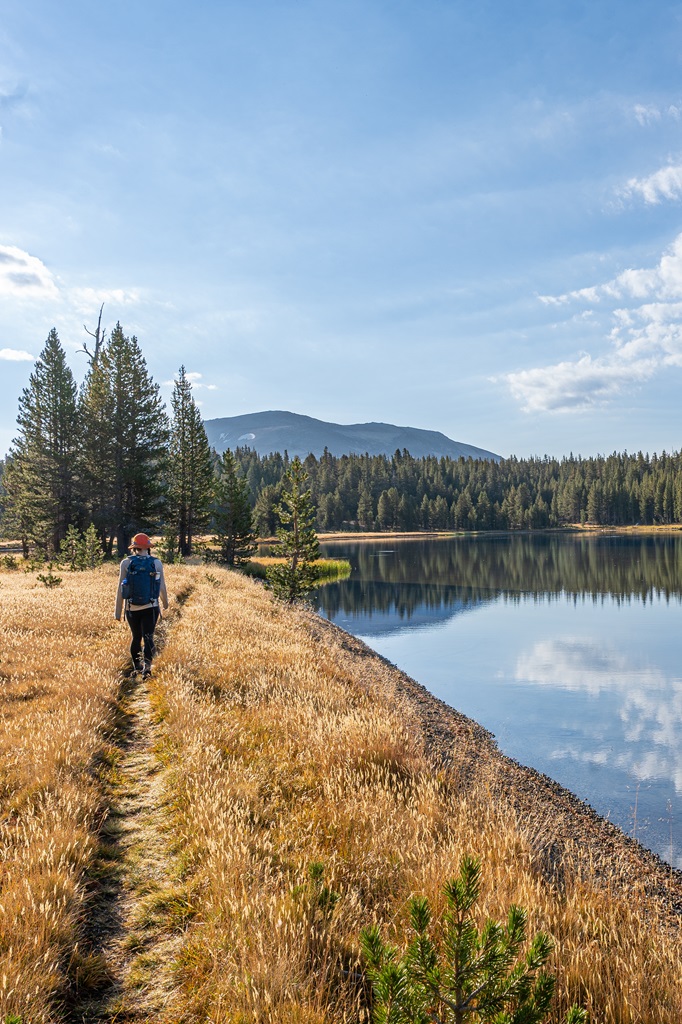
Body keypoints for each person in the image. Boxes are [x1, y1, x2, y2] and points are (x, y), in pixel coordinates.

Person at [115, 532, 168, 678]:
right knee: (148, 636)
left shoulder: (126, 563)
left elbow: (120, 587)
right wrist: (165, 602)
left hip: (131, 608)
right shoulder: (156, 563)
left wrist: (118, 611)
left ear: (134, 548)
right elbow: (162, 585)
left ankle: (137, 666)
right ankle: (147, 667)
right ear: (148, 547)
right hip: (151, 607)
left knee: (136, 636)